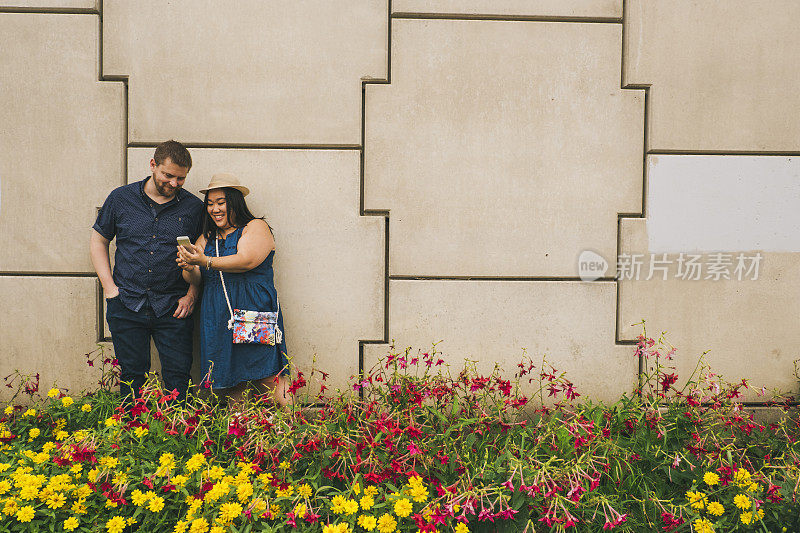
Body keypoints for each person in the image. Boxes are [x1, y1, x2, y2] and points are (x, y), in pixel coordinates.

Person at [90, 140, 204, 402]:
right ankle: (132, 434)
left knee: (178, 378)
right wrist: (110, 288)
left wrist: (192, 295)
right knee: (131, 377)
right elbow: (99, 240)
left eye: (181, 178)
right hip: (126, 302)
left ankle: (179, 436)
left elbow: (201, 255)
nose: (174, 183)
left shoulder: (194, 208)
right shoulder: (121, 198)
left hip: (174, 306)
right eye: (168, 175)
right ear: (153, 165)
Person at [176, 173, 290, 406]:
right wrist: (188, 265)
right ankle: (240, 433)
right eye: (210, 204)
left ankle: (291, 429)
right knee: (229, 378)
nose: (214, 209)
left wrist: (204, 260)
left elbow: (246, 260)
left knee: (268, 373)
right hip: (218, 315)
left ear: (235, 202)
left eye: (221, 202)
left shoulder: (255, 227)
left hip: (253, 309)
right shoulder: (207, 238)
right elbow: (195, 278)